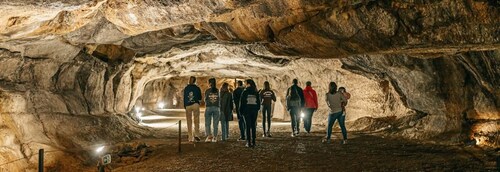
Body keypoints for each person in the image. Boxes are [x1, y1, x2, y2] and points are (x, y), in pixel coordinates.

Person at [239, 79, 261, 148]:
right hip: (254, 111)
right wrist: (257, 109)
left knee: (247, 126)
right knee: (253, 125)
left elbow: (242, 102)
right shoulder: (256, 92)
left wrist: (241, 111)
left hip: (247, 111)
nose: (245, 85)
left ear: (248, 84)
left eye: (246, 83)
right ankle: (253, 141)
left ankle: (248, 142)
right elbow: (258, 102)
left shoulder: (245, 92)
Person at [183, 76, 202, 142]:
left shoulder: (186, 88)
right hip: (195, 104)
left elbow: (185, 97)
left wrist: (185, 105)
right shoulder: (197, 88)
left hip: (188, 105)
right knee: (196, 120)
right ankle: (196, 135)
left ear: (190, 80)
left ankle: (190, 137)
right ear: (195, 81)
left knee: (189, 121)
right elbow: (200, 97)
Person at [204, 78, 220, 143]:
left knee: (207, 123)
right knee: (215, 124)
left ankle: (209, 136)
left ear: (210, 83)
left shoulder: (207, 91)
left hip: (209, 107)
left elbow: (205, 99)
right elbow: (219, 99)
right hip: (216, 107)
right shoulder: (218, 91)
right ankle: (215, 137)